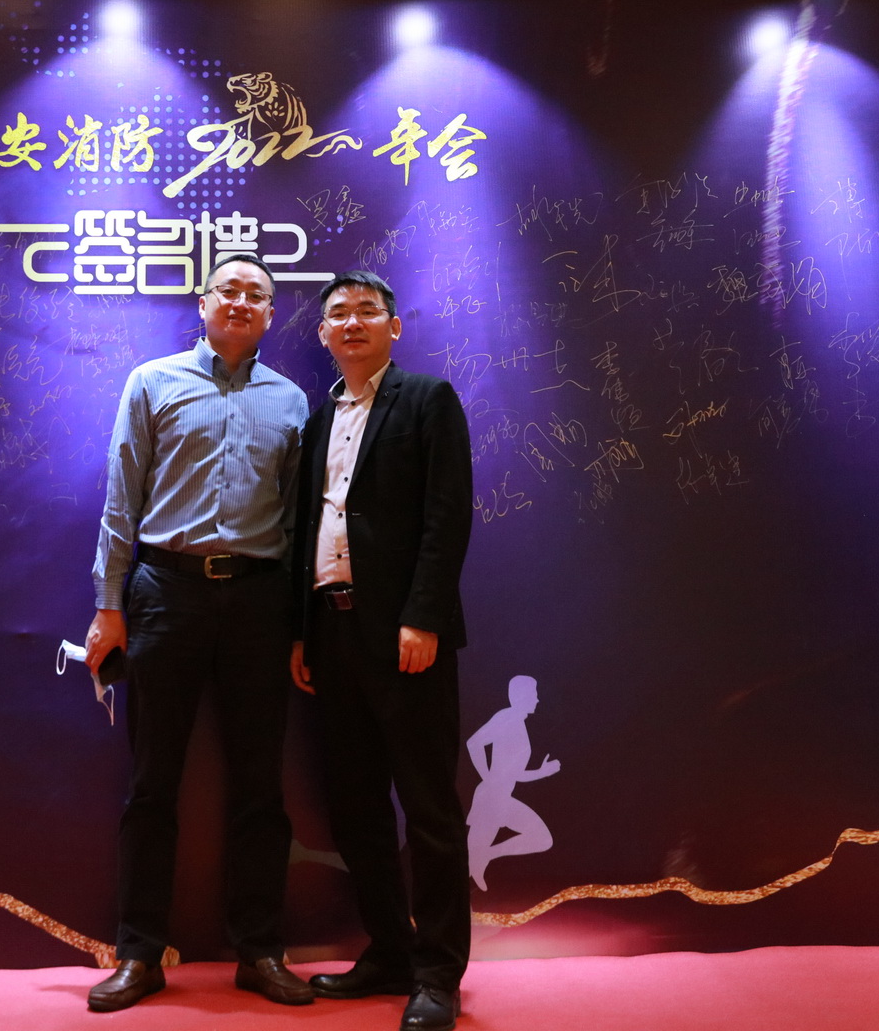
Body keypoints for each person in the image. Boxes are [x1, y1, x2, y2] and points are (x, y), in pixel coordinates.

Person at [81, 252, 315, 1013]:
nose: (241, 303)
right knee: (152, 783)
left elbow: (300, 521)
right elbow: (122, 498)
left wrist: (299, 624)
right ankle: (140, 954)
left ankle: (260, 951)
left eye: (257, 295)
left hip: (259, 600)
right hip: (164, 593)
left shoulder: (292, 401)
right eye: (229, 290)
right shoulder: (152, 382)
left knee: (259, 786)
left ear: (271, 314)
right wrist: (108, 605)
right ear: (203, 302)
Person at [290, 270, 474, 1031]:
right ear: (323, 334)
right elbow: (306, 530)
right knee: (357, 808)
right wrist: (302, 632)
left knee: (429, 810)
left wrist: (422, 616)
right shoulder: (316, 422)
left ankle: (437, 973)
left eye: (368, 311)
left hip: (405, 635)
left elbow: (447, 515)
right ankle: (390, 953)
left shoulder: (427, 400)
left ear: (394, 327)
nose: (352, 322)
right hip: (332, 634)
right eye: (338, 313)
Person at [465, 675, 561, 890]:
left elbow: (514, 774)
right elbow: (474, 743)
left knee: (542, 838)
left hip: (502, 800)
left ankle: (486, 855)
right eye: (534, 694)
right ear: (522, 696)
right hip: (490, 800)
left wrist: (542, 772)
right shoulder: (506, 718)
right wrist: (488, 778)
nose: (537, 699)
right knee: (468, 861)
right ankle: (476, 867)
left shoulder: (517, 723)